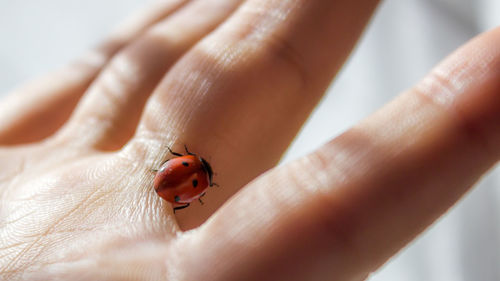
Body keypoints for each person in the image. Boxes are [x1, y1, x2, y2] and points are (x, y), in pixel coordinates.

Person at [0, 0, 498, 280]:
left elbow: (173, 175)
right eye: (194, 173)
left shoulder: (186, 171)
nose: (192, 173)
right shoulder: (190, 172)